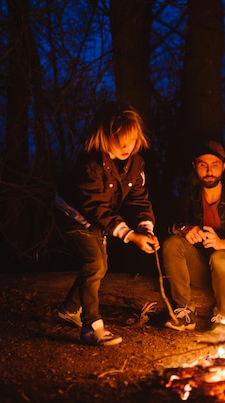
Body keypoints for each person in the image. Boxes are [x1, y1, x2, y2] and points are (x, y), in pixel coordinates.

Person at [54, 102, 159, 345]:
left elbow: (138, 198)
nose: (126, 147)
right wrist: (131, 236)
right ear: (104, 137)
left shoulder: (135, 163)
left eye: (131, 141)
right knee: (96, 262)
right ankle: (91, 326)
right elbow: (96, 208)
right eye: (120, 141)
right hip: (73, 215)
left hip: (99, 219)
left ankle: (69, 309)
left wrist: (145, 228)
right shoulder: (90, 165)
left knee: (99, 265)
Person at [161, 140, 225, 331]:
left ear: (224, 166)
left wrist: (223, 243)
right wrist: (183, 228)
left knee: (220, 256)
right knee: (172, 243)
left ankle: (224, 317)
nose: (209, 170)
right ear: (194, 167)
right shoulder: (189, 196)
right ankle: (184, 311)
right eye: (203, 165)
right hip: (201, 270)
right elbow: (165, 225)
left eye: (215, 165)